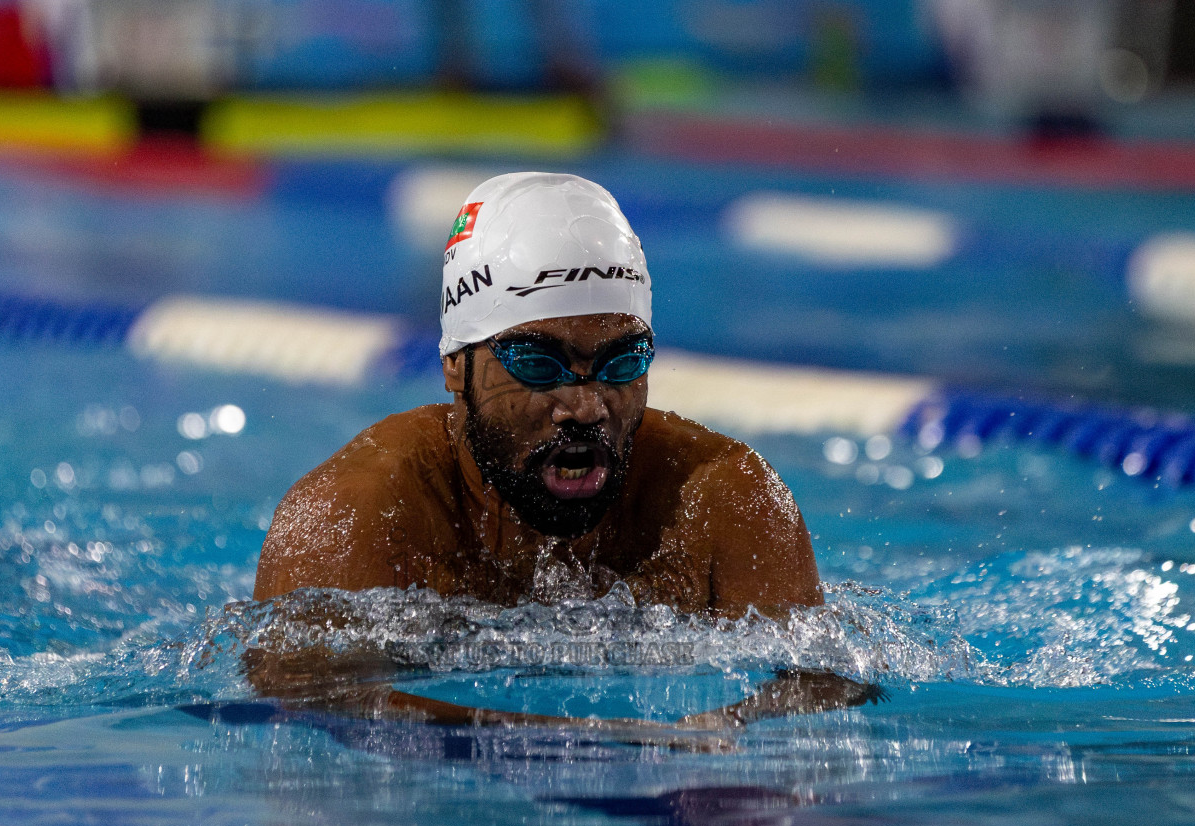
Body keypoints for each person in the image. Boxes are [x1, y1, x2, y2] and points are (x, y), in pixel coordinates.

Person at [251, 172, 872, 731]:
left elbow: (827, 681)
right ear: (453, 363)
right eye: (538, 363)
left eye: (621, 361)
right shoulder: (354, 513)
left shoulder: (724, 498)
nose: (587, 406)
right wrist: (575, 741)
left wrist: (731, 723)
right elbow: (305, 696)